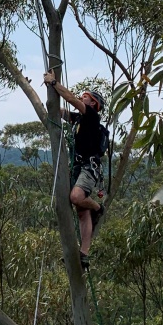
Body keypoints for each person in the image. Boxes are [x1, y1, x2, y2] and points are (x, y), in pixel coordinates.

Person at [43, 70, 106, 270]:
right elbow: (57, 110)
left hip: (89, 166)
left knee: (77, 197)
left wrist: (54, 83)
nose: (81, 97)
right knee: (81, 212)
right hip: (78, 166)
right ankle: (84, 254)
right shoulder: (78, 119)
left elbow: (69, 98)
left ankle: (97, 208)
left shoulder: (91, 116)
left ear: (94, 103)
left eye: (85, 96)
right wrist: (50, 96)